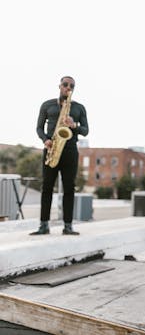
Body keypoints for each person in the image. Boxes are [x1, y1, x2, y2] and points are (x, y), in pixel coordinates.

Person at [32, 76, 89, 235]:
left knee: (69, 188)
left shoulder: (79, 108)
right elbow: (38, 128)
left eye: (72, 85)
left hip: (70, 150)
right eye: (65, 84)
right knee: (47, 187)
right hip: (51, 149)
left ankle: (68, 226)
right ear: (59, 86)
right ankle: (44, 225)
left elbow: (85, 130)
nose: (68, 87)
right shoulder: (47, 105)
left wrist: (74, 125)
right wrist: (45, 140)